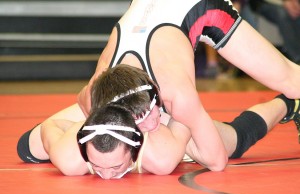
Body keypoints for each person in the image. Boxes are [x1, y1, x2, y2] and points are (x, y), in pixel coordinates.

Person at [17, 0, 300, 179]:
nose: (108, 177)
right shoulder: (94, 92)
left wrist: (171, 128)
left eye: (116, 168)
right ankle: (289, 107)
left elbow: (216, 162)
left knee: (290, 79)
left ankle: (290, 97)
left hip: (196, 8)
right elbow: (53, 128)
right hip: (143, 36)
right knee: (29, 147)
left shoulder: (176, 94)